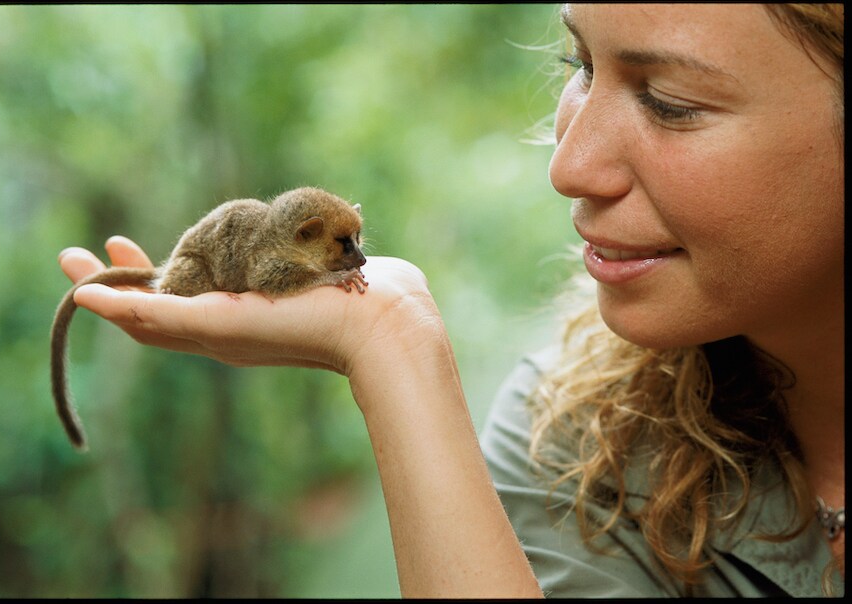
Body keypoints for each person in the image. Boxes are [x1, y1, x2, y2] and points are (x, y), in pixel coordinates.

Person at [57, 4, 844, 598]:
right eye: (580, 65)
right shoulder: (576, 437)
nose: (567, 166)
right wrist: (393, 350)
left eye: (669, 99)